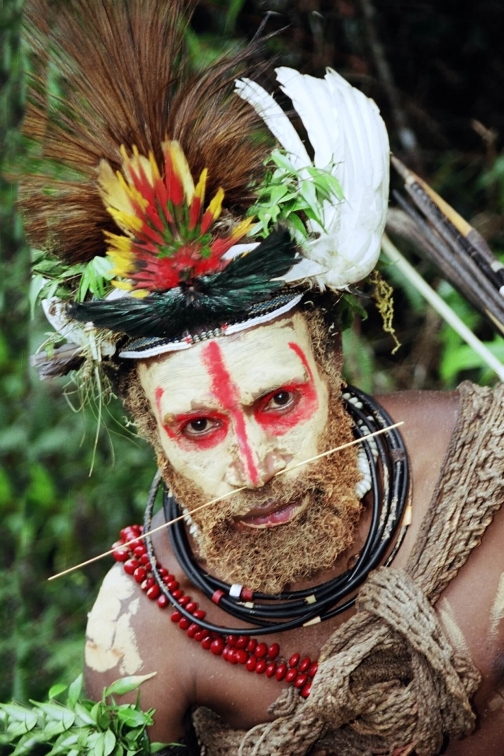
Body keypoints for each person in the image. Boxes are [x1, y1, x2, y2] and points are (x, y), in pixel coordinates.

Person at [23, 1, 504, 754]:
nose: (253, 470)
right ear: (148, 428)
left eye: (279, 401)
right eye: (198, 426)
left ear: (330, 361)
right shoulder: (142, 641)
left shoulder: (489, 470)